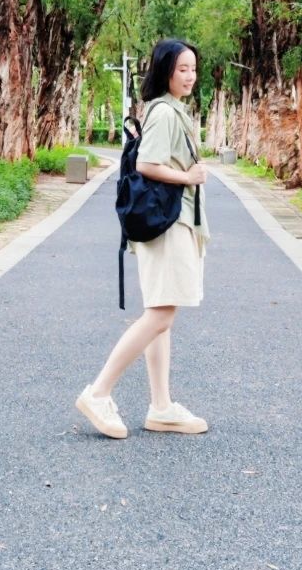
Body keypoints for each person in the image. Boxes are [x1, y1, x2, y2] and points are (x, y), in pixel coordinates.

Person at [76, 38, 211, 440]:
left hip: (168, 223)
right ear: (165, 70)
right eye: (182, 69)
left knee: (161, 316)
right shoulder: (166, 113)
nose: (189, 76)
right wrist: (188, 177)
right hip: (168, 225)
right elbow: (149, 164)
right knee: (162, 315)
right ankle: (98, 392)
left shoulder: (166, 110)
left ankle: (162, 406)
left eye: (192, 68)